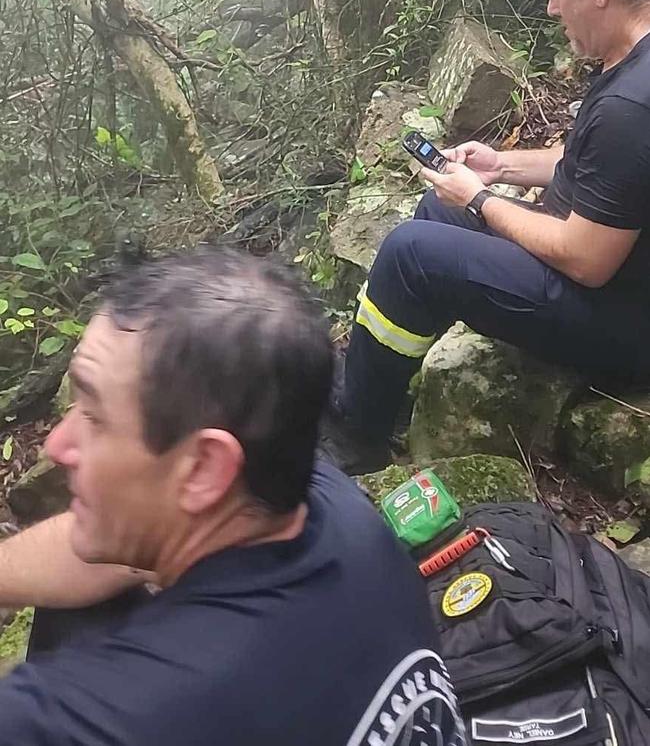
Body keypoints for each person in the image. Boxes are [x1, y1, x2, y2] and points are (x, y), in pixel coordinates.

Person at [0, 247, 465, 746]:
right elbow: (112, 551)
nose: (57, 444)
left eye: (93, 416)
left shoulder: (111, 718)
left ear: (204, 468)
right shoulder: (328, 504)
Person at [328, 0, 650, 473]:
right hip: (618, 284)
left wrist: (479, 198)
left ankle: (359, 436)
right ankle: (377, 385)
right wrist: (500, 167)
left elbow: (587, 260)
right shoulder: (632, 63)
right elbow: (591, 166)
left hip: (620, 322)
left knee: (411, 251)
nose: (550, 9)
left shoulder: (630, 107)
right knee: (434, 211)